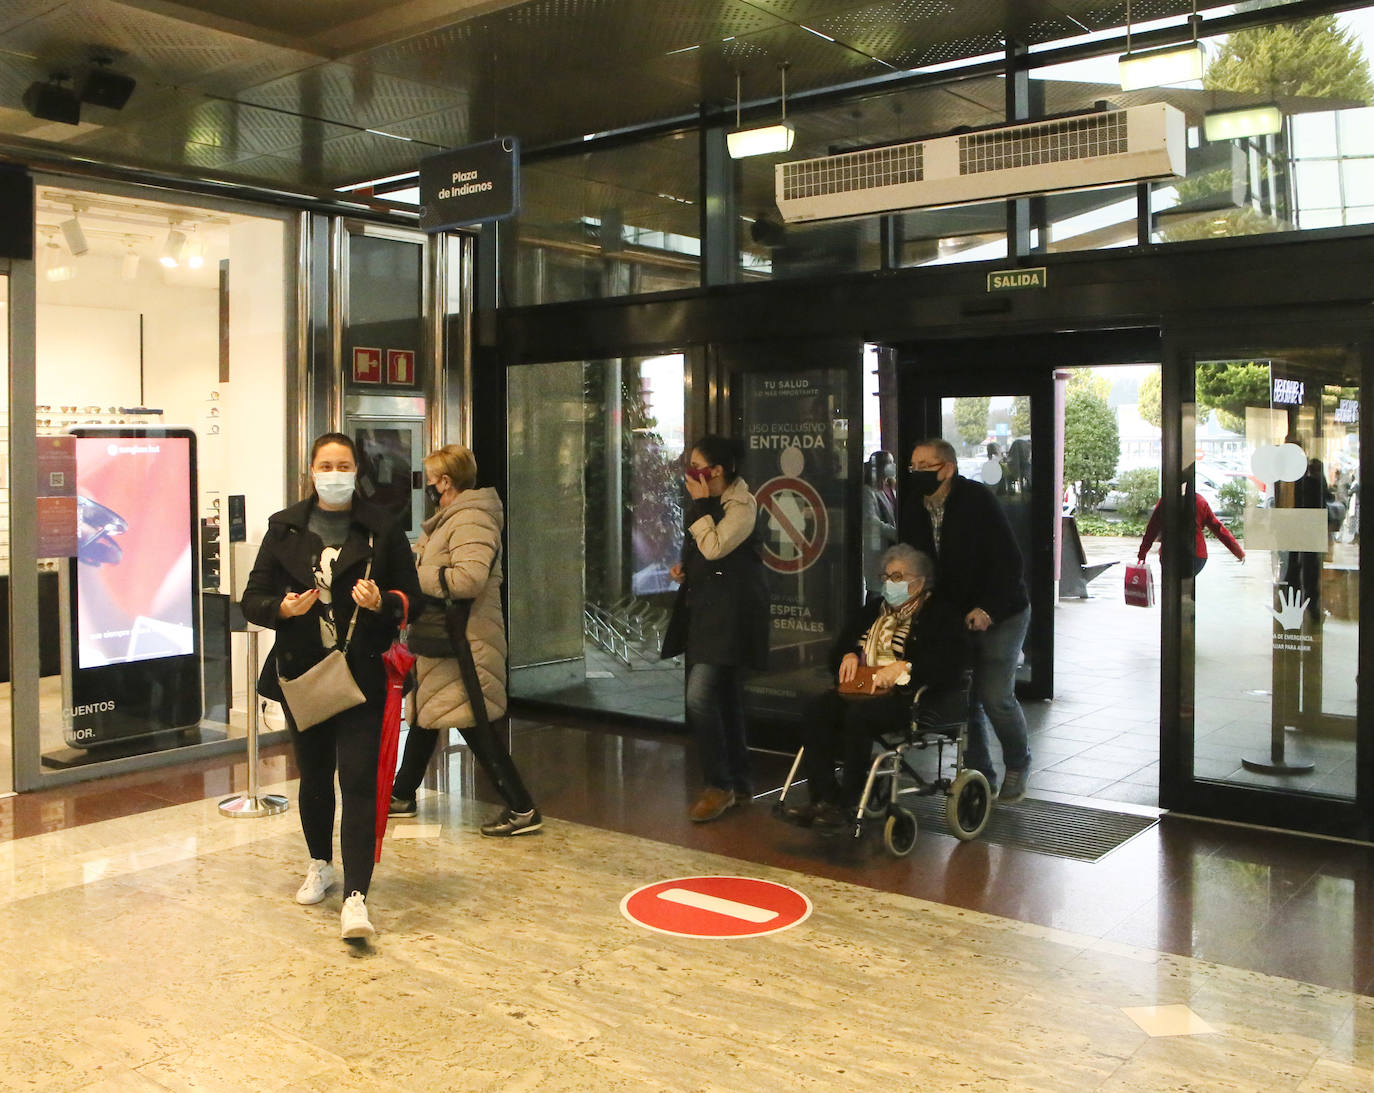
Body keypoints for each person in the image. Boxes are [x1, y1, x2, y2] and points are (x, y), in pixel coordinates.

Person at [242, 432, 420, 941]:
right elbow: (253, 597)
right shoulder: (285, 527)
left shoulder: (381, 528)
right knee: (315, 776)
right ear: (312, 470)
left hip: (362, 673)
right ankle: (319, 863)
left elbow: (415, 599)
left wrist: (381, 603)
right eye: (326, 464)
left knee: (359, 780)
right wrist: (282, 608)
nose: (335, 472)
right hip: (304, 673)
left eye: (344, 464)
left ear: (355, 470)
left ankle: (356, 895)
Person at [389, 444, 541, 836]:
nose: (427, 485)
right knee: (427, 716)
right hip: (446, 640)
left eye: (432, 476)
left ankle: (522, 807)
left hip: (466, 642)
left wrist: (412, 574)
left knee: (475, 723)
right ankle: (402, 795)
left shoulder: (472, 518)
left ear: (446, 480)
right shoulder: (452, 518)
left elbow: (467, 579)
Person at [782, 544, 967, 831]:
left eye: (897, 577)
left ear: (919, 582)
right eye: (886, 576)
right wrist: (848, 655)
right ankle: (823, 798)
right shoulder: (873, 610)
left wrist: (905, 667)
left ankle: (847, 804)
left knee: (859, 717)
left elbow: (949, 666)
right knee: (817, 710)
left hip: (908, 698)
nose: (888, 583)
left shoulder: (941, 616)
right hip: (862, 689)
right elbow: (840, 649)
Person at [904, 437, 1032, 804]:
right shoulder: (915, 506)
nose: (917, 473)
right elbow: (916, 561)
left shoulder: (977, 501)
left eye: (925, 466)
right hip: (953, 613)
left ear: (948, 468)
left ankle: (1018, 762)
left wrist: (987, 610)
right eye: (913, 466)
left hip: (1002, 609)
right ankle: (980, 775)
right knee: (964, 697)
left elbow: (1010, 565)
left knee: (994, 695)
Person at [665, 435, 770, 823]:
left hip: (732, 617)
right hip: (705, 612)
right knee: (725, 698)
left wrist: (702, 505)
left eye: (697, 466)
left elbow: (715, 547)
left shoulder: (741, 505)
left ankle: (719, 785)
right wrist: (685, 570)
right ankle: (739, 781)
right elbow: (702, 554)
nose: (690, 474)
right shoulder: (708, 504)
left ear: (717, 471)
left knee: (699, 698)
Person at [1138, 488, 1245, 577]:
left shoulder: (1166, 500)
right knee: (1186, 587)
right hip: (1197, 556)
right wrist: (1238, 552)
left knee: (1173, 588)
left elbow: (1152, 528)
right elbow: (1218, 528)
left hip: (1170, 555)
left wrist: (1142, 553)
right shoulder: (1200, 501)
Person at [861, 451, 898, 601]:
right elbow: (870, 522)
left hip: (891, 551)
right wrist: (895, 533)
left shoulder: (890, 488)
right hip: (877, 549)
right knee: (876, 594)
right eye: (890, 463)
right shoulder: (868, 491)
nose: (893, 466)